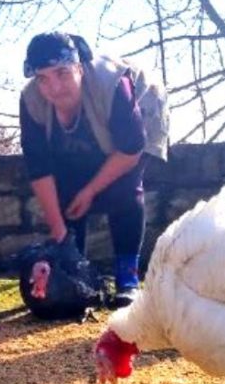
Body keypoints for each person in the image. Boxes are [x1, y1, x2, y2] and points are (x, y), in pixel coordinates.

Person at [18, 31, 169, 308]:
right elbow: (39, 168)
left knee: (123, 191)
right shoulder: (31, 101)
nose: (54, 88)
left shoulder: (112, 83)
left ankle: (128, 278)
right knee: (67, 193)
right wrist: (60, 235)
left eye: (62, 73)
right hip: (87, 139)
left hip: (138, 121)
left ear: (79, 67)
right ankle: (77, 271)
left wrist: (90, 191)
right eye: (43, 78)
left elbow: (130, 150)